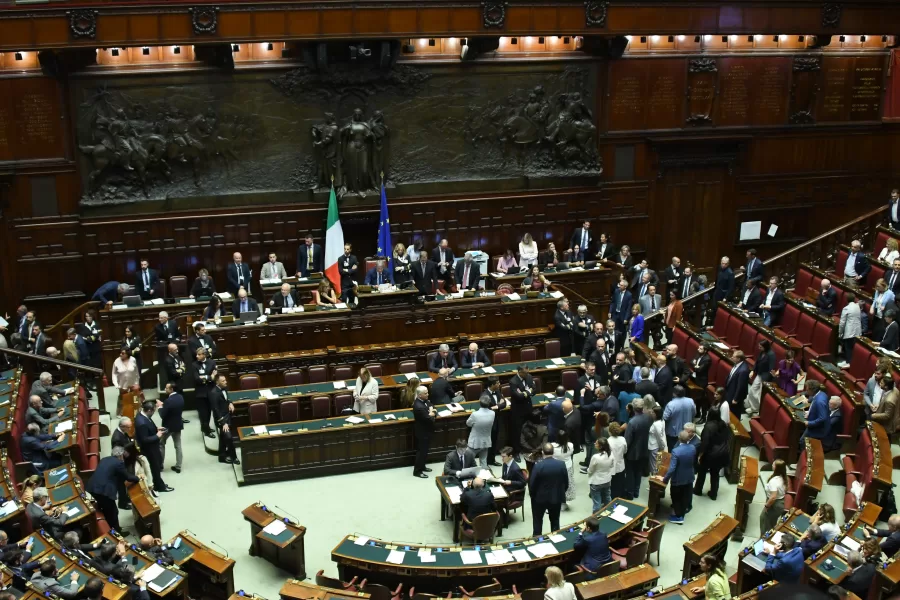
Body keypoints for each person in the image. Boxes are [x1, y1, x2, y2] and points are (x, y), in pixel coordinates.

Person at [87, 446, 139, 535]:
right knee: (113, 512)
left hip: (92, 487)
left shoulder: (104, 459)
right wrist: (138, 478)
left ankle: (111, 527)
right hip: (104, 491)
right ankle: (116, 533)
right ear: (121, 455)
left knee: (108, 509)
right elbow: (128, 477)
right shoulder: (119, 463)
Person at [529, 443, 568, 535]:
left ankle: (537, 539)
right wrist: (560, 492)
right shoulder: (561, 464)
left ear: (542, 452)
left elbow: (532, 484)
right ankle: (556, 539)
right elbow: (566, 482)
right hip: (556, 497)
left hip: (539, 499)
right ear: (553, 452)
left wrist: (533, 496)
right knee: (555, 521)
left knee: (537, 520)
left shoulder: (538, 466)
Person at [135, 400, 173, 492]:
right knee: (155, 468)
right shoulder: (142, 423)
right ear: (149, 411)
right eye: (153, 411)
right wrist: (157, 436)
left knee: (157, 466)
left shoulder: (143, 415)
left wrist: (156, 429)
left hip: (153, 447)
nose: (153, 413)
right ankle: (160, 487)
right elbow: (144, 439)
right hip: (149, 449)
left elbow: (149, 427)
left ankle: (159, 483)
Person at [658, 430, 695, 524]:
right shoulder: (693, 448)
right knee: (685, 496)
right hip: (689, 477)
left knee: (676, 497)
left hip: (678, 479)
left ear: (679, 439)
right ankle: (682, 512)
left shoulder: (676, 451)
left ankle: (679, 517)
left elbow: (672, 469)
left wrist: (665, 479)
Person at [692, 408, 730, 500]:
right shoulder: (723, 424)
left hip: (711, 454)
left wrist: (700, 455)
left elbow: (705, 443)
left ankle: (698, 490)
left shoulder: (708, 426)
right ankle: (713, 494)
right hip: (722, 453)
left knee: (702, 471)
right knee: (715, 473)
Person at [623, 397, 651, 500]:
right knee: (638, 471)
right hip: (644, 450)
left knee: (630, 472)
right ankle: (636, 491)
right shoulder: (648, 418)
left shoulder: (632, 422)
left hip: (632, 452)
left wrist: (624, 452)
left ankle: (629, 494)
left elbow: (627, 440)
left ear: (633, 408)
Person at [210, 375, 239, 465]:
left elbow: (227, 397)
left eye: (225, 380)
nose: (225, 382)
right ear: (217, 382)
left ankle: (221, 456)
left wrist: (230, 403)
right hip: (221, 418)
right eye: (223, 381)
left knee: (223, 437)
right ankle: (234, 457)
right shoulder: (214, 393)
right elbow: (215, 409)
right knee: (228, 437)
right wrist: (223, 423)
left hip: (227, 415)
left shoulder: (224, 388)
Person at [509, 365, 535, 461]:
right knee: (517, 431)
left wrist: (525, 393)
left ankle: (528, 449)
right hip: (518, 411)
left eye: (528, 372)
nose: (527, 374)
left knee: (529, 429)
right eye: (525, 373)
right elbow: (518, 396)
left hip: (528, 408)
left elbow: (534, 389)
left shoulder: (529, 377)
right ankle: (516, 452)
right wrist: (528, 392)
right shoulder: (513, 382)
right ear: (519, 371)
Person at [158, 383, 184, 473]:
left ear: (171, 389)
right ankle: (178, 466)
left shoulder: (168, 401)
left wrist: (160, 406)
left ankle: (160, 465)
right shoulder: (181, 397)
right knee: (178, 445)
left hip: (167, 427)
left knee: (161, 443)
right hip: (177, 425)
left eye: (166, 388)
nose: (165, 389)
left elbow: (162, 415)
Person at [746, 340, 776, 415]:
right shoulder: (762, 352)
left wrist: (766, 381)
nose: (759, 348)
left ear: (765, 347)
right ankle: (754, 408)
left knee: (760, 394)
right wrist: (753, 371)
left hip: (765, 377)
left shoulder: (771, 354)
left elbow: (771, 368)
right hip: (759, 374)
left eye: (760, 347)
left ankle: (760, 411)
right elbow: (757, 362)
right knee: (752, 390)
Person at [193, 347, 216, 439]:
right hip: (200, 392)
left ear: (204, 355)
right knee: (203, 412)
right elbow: (197, 379)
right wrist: (209, 377)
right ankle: (206, 430)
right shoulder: (194, 365)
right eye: (197, 354)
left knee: (209, 411)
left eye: (199, 354)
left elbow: (215, 375)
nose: (197, 356)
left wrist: (204, 378)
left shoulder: (212, 362)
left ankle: (207, 427)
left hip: (210, 390)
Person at [412, 386, 435, 478]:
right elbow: (429, 419)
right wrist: (431, 414)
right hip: (422, 432)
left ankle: (422, 466)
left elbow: (433, 406)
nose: (428, 394)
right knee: (421, 452)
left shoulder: (425, 401)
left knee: (425, 451)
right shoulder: (418, 406)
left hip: (427, 431)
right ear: (420, 395)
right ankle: (417, 471)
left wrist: (432, 412)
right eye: (425, 393)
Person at [663, 385, 695, 450]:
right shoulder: (691, 401)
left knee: (672, 450)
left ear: (674, 394)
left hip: (673, 433)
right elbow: (694, 413)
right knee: (685, 449)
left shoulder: (670, 404)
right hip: (687, 431)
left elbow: (665, 418)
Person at [760, 459, 787, 534]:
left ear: (776, 468)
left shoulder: (774, 481)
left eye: (773, 464)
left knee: (765, 522)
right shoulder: (783, 476)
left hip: (774, 504)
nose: (772, 465)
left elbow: (773, 497)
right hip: (780, 502)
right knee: (771, 522)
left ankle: (764, 539)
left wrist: (766, 506)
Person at [466, 398, 495, 467]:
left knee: (468, 461)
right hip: (486, 442)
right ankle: (484, 477)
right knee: (483, 461)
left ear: (480, 403)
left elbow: (468, 423)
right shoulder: (492, 413)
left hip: (475, 443)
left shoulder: (475, 414)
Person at [587, 438, 614, 511]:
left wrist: (588, 471)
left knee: (597, 502)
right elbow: (611, 466)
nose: (594, 444)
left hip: (596, 482)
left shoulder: (595, 457)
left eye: (596, 443)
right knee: (607, 498)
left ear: (600, 446)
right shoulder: (611, 455)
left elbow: (590, 470)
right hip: (607, 480)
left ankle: (596, 518)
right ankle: (609, 512)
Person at [552, 430, 576, 508]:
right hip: (567, 467)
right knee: (565, 485)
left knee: (556, 485)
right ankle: (563, 503)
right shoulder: (570, 445)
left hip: (556, 468)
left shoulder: (553, 446)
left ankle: (556, 502)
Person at [839, 291, 863, 363]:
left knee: (849, 350)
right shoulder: (857, 307)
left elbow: (842, 323)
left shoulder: (846, 309)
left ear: (846, 299)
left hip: (849, 333)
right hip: (858, 332)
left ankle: (849, 364)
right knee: (854, 350)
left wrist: (840, 333)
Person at [724, 350, 750, 414]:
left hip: (735, 395)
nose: (731, 358)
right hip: (730, 391)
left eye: (733, 357)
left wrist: (736, 398)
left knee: (734, 413)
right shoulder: (737, 364)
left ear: (738, 359)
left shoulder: (743, 370)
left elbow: (741, 386)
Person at [607, 422, 627, 498]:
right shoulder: (623, 439)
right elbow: (625, 451)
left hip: (611, 466)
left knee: (613, 485)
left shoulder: (608, 441)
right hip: (621, 464)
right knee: (621, 482)